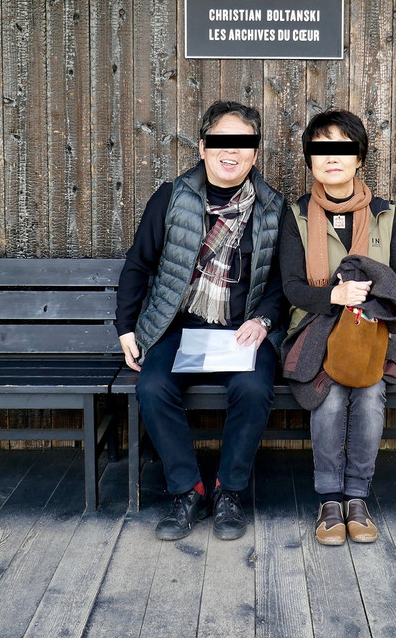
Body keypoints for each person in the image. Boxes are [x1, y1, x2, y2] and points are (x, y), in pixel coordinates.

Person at [116, 101, 284, 541]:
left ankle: (229, 492)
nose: (231, 151)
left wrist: (264, 321)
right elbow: (138, 264)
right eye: (222, 141)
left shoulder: (272, 208)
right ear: (204, 146)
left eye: (242, 143)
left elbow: (281, 281)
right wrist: (126, 328)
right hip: (178, 327)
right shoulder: (172, 197)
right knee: (152, 387)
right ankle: (187, 491)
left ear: (255, 152)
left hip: (242, 328)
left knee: (253, 389)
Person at [279, 110, 396, 546]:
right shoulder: (297, 215)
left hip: (370, 331)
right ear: (310, 160)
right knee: (330, 395)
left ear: (359, 158)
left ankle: (357, 498)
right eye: (322, 149)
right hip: (314, 330)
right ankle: (329, 501)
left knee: (370, 395)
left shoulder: (386, 215)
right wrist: (333, 296)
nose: (332, 157)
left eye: (342, 147)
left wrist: (368, 302)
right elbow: (291, 287)